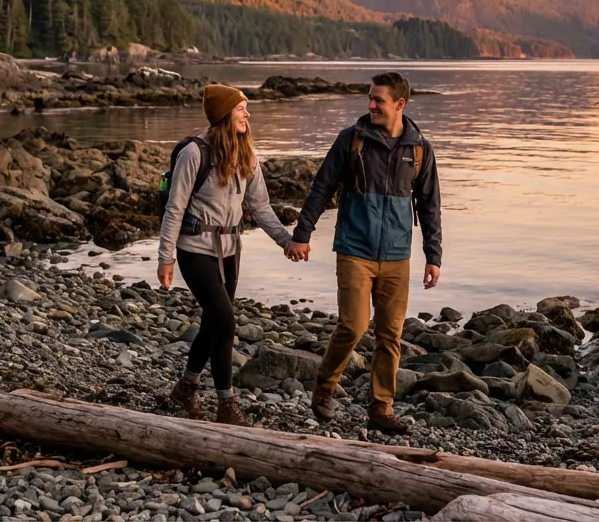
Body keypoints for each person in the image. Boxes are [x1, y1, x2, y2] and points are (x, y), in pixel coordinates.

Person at [284, 72, 442, 433]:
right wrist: (302, 233)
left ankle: (381, 409)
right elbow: (321, 187)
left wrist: (433, 256)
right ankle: (325, 385)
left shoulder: (419, 149)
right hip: (354, 249)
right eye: (369, 98)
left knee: (391, 335)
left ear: (399, 104)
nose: (370, 105)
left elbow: (430, 205)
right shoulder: (351, 140)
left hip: (397, 254)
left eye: (378, 100)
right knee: (353, 326)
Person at [158, 83, 302, 425]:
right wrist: (165, 257)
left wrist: (287, 241)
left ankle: (185, 388)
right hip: (194, 249)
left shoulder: (247, 154)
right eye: (241, 109)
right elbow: (175, 207)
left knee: (214, 321)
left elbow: (260, 205)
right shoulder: (194, 154)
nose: (247, 114)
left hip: (231, 251)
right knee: (225, 319)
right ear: (225, 114)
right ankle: (227, 404)